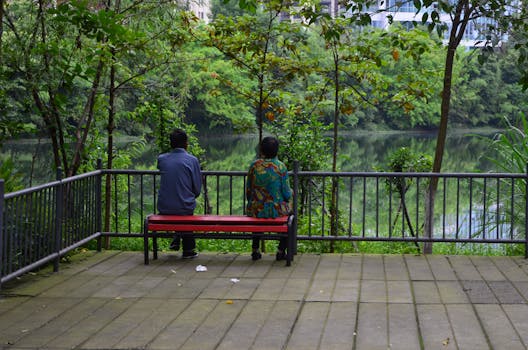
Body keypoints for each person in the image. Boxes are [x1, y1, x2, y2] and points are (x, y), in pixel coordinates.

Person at [157, 128, 202, 259]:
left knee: (178, 201)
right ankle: (188, 249)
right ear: (186, 144)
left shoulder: (162, 159)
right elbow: (197, 190)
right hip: (184, 207)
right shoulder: (192, 160)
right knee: (184, 205)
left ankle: (177, 237)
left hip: (164, 206)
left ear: (171, 144)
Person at [246, 136, 292, 261]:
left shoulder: (254, 166)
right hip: (276, 210)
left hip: (256, 209)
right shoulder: (280, 167)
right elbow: (287, 194)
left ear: (261, 150)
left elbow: (248, 190)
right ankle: (281, 250)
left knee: (257, 218)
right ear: (277, 150)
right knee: (291, 220)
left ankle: (255, 249)